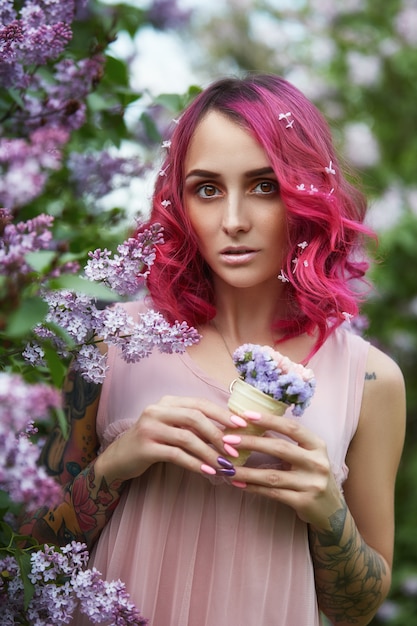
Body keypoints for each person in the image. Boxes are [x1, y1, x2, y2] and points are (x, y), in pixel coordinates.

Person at [23, 74, 406, 626]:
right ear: (179, 201)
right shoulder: (107, 343)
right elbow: (25, 559)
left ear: (306, 195)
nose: (233, 221)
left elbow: (357, 610)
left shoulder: (371, 379)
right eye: (207, 189)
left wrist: (329, 511)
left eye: (263, 186)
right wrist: (116, 465)